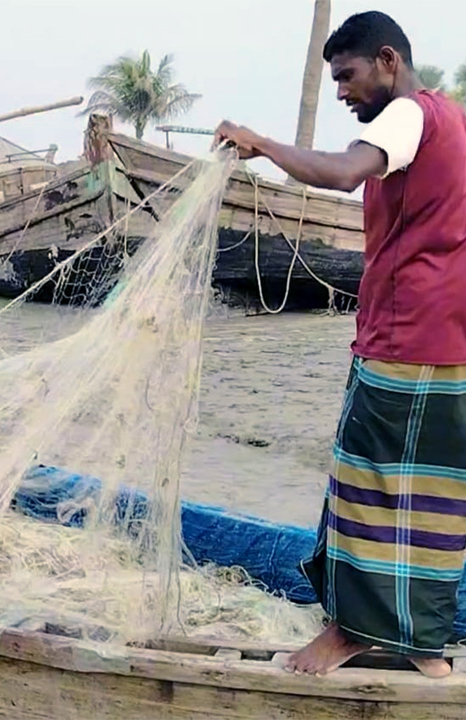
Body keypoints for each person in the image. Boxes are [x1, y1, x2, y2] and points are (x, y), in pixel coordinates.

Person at [216, 11, 466, 679]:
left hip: (408, 338)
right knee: (432, 499)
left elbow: (342, 174)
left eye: (348, 77)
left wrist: (260, 144)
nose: (342, 93)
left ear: (388, 61)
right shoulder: (449, 119)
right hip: (447, 341)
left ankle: (349, 632)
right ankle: (424, 647)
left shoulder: (408, 116)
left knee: (366, 484)